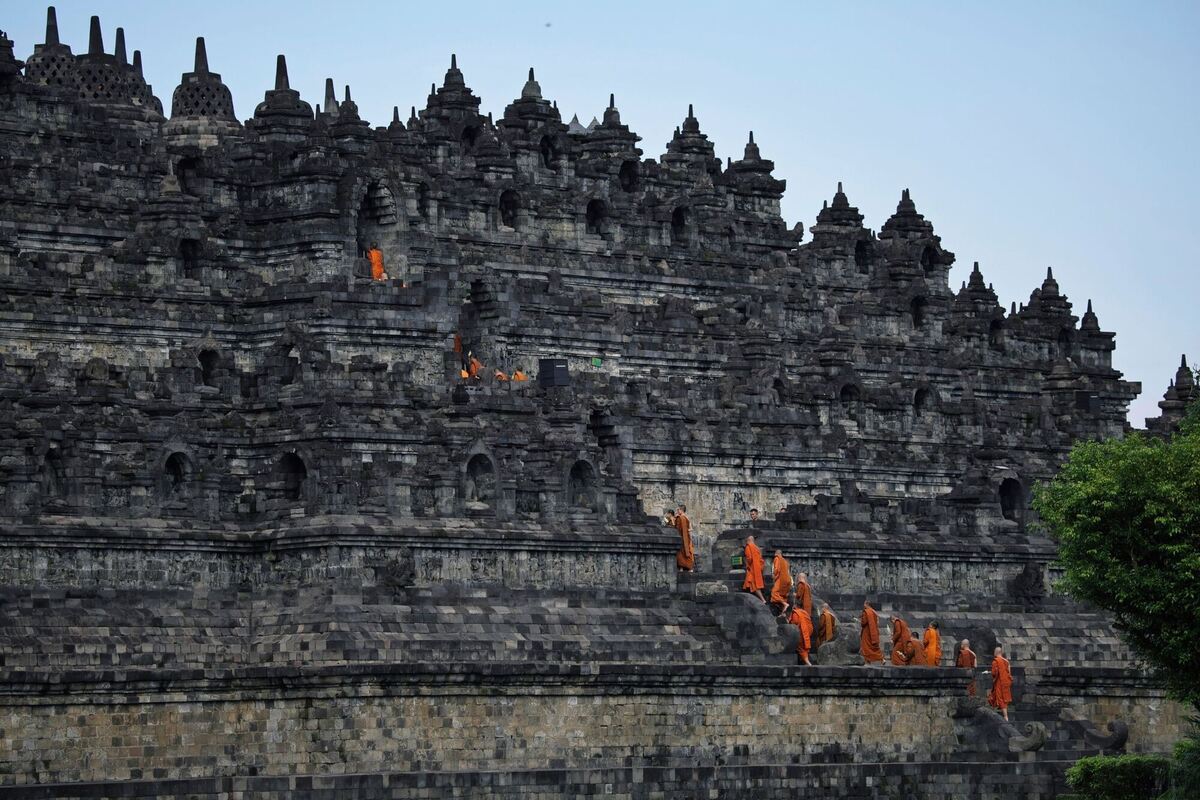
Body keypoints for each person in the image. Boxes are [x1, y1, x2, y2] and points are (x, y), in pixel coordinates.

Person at [988, 646, 1013, 720]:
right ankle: (1000, 713)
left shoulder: (995, 661)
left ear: (996, 652)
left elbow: (994, 673)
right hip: (1006, 683)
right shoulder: (1007, 661)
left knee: (1000, 698)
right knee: (1004, 698)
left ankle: (1005, 716)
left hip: (999, 683)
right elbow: (1009, 673)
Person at [742, 535, 765, 603]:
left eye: (746, 540)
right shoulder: (757, 548)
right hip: (758, 568)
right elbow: (761, 560)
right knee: (752, 583)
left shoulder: (748, 547)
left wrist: (747, 565)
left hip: (752, 568)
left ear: (748, 540)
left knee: (754, 584)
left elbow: (749, 558)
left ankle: (763, 600)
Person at [859, 601, 883, 665]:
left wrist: (861, 621)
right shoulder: (873, 611)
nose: (863, 605)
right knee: (873, 646)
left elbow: (864, 622)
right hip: (873, 631)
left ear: (867, 604)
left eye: (864, 603)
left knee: (865, 646)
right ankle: (880, 658)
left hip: (867, 631)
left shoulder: (866, 612)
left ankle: (867, 660)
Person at [674, 504, 694, 572]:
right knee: (683, 552)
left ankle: (685, 568)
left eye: (678, 510)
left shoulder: (681, 518)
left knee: (684, 552)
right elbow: (691, 529)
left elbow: (677, 528)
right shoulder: (686, 518)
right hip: (686, 538)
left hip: (683, 538)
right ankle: (682, 567)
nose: (677, 511)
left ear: (681, 510)